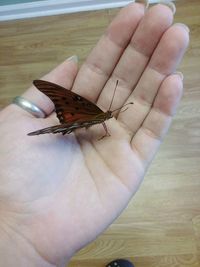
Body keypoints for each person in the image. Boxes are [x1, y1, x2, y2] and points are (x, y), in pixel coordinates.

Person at [0, 1, 189, 267]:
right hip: (68, 128)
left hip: (73, 126)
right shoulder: (96, 115)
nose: (109, 118)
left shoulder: (99, 115)